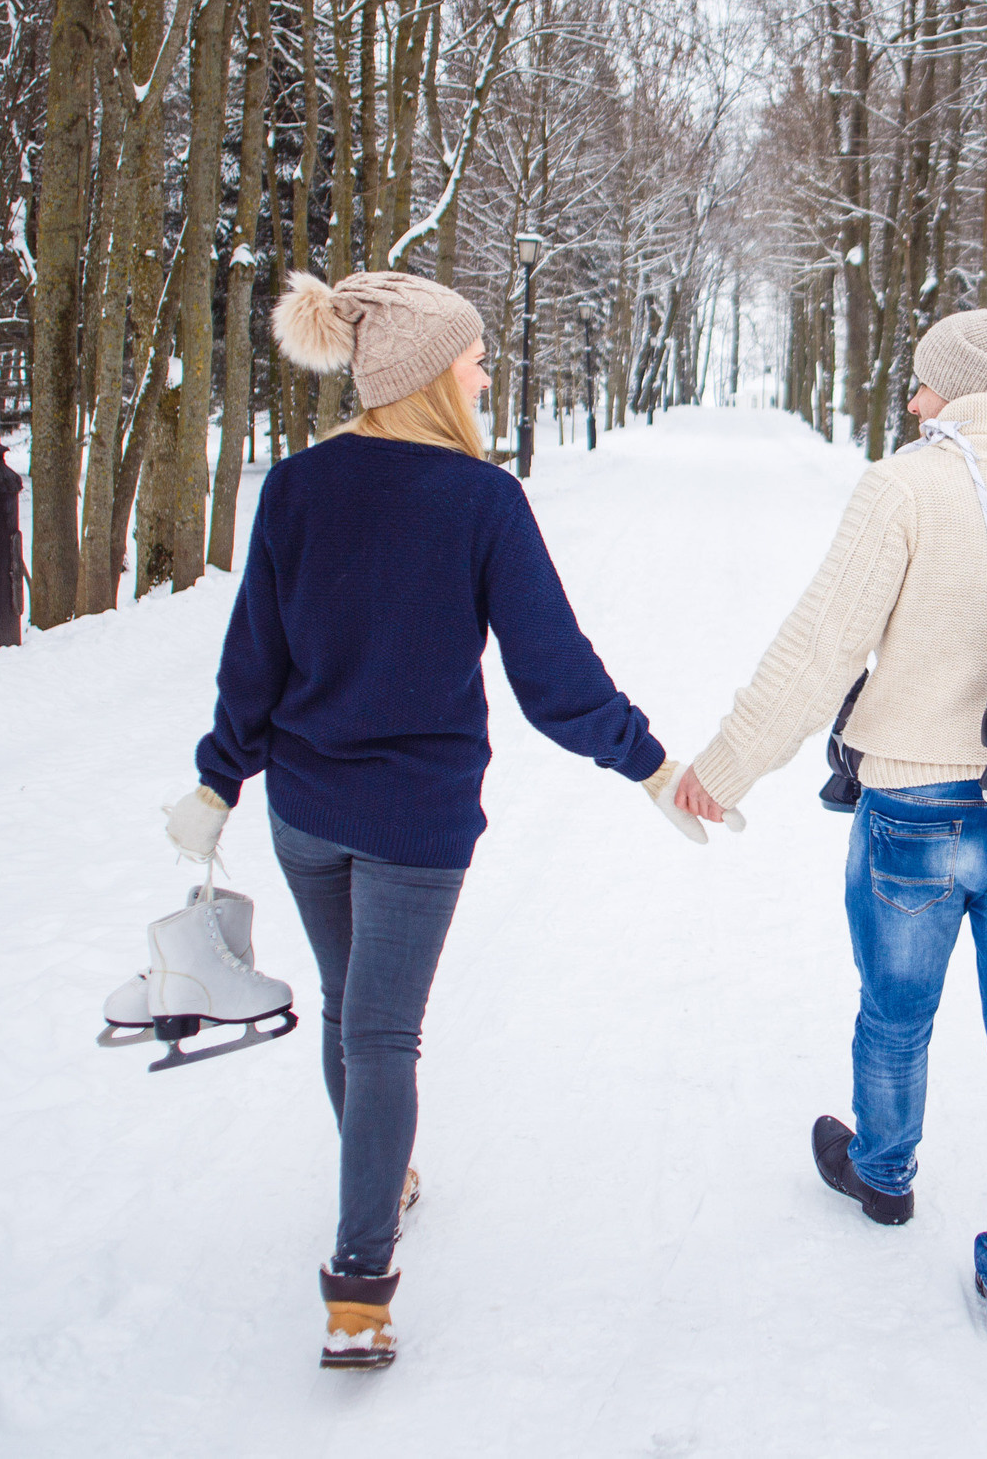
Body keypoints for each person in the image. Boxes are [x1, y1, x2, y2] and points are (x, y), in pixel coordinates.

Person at [163, 269, 719, 1371]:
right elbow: (554, 677)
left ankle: (384, 1181)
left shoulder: (298, 487)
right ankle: (359, 1288)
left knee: (351, 1015)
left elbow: (252, 665)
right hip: (415, 820)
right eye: (471, 354)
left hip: (308, 809)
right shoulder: (481, 498)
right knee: (380, 1031)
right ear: (424, 369)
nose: (484, 369)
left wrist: (220, 779)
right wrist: (653, 764)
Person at [670, 307, 987, 1339]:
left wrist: (726, 765)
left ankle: (883, 1172)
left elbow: (822, 646)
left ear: (961, 389)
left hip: (917, 807)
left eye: (924, 384)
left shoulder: (904, 485)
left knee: (895, 1012)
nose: (913, 400)